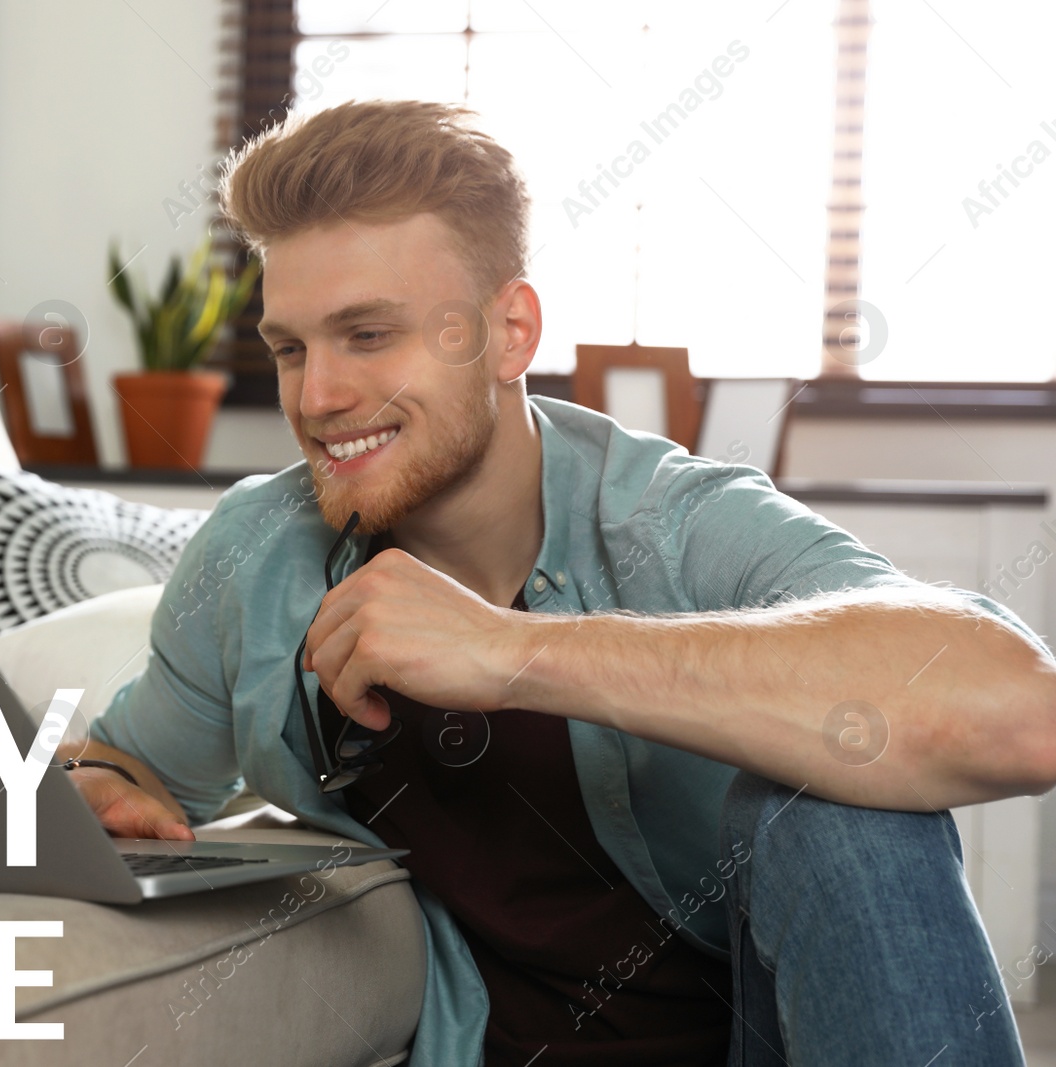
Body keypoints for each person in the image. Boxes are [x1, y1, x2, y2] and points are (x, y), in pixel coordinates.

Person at [60, 99, 1055, 1065]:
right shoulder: (257, 553)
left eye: (368, 336)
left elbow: (1020, 710)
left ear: (511, 332)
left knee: (835, 802)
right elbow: (131, 765)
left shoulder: (675, 523)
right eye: (289, 348)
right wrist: (103, 788)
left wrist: (511, 651)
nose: (317, 397)